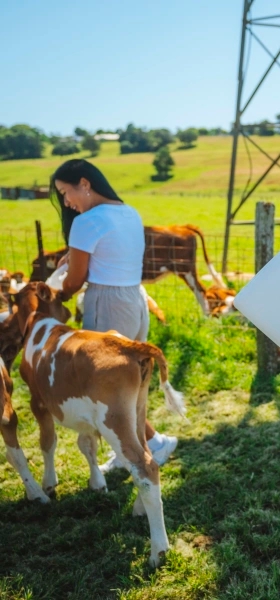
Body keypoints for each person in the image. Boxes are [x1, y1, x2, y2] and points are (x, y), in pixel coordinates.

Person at [50, 159, 178, 469]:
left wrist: (58, 293)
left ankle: (143, 446)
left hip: (107, 301)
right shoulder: (129, 213)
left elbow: (76, 280)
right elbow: (113, 254)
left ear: (85, 183)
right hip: (134, 299)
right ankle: (145, 444)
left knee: (108, 385)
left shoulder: (86, 222)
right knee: (132, 380)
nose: (66, 202)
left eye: (66, 193)